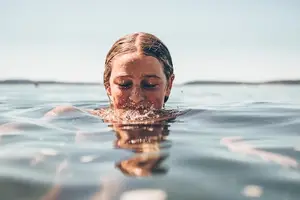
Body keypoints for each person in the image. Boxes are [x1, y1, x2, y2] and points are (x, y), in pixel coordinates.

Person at [43, 32, 177, 123]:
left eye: (150, 84)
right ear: (108, 86)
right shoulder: (70, 115)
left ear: (169, 86)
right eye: (124, 84)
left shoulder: (187, 120)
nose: (136, 98)